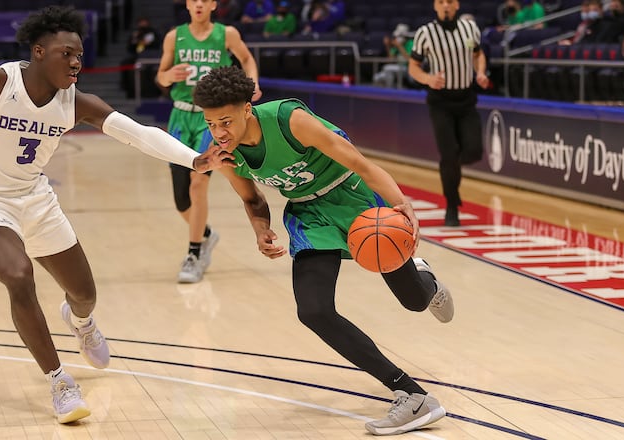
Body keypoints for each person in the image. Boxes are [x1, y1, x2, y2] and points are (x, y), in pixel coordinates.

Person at [0, 6, 231, 423]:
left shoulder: (75, 102)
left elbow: (137, 133)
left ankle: (80, 322)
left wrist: (195, 160)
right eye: (66, 53)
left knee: (84, 294)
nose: (76, 61)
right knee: (20, 277)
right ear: (39, 52)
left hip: (38, 200)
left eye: (79, 54)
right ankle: (60, 381)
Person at [192, 65, 454, 436]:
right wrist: (261, 228)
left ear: (247, 109)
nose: (219, 133)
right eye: (210, 124)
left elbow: (359, 163)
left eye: (226, 122)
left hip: (354, 196)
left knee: (413, 300)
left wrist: (400, 202)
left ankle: (425, 278)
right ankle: (410, 395)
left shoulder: (290, 120)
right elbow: (252, 199)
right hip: (309, 213)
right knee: (313, 311)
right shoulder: (226, 154)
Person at [156, 0, 261, 284]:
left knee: (198, 182)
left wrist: (253, 84)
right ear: (188, 4)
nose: (199, 4)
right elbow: (161, 77)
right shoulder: (173, 36)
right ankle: (205, 234)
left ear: (213, 4)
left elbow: (248, 59)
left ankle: (193, 254)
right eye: (194, 0)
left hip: (211, 120)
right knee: (181, 201)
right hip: (179, 116)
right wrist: (169, 74)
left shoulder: (226, 34)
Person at [408, 0, 490, 226]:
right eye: (441, 2)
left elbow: (477, 55)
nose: (446, 6)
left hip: (466, 99)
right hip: (440, 101)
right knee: (449, 155)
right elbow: (413, 67)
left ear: (457, 5)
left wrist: (480, 72)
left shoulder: (469, 29)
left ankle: (452, 169)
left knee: (474, 151)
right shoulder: (425, 33)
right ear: (435, 6)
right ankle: (452, 206)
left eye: (450, 2)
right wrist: (428, 79)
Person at [373, 23, 414, 89]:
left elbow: (410, 59)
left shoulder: (411, 43)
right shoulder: (396, 45)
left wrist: (400, 47)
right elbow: (390, 59)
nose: (397, 38)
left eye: (400, 37)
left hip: (407, 69)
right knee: (376, 77)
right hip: (397, 68)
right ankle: (388, 91)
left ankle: (389, 90)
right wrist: (388, 46)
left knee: (387, 68)